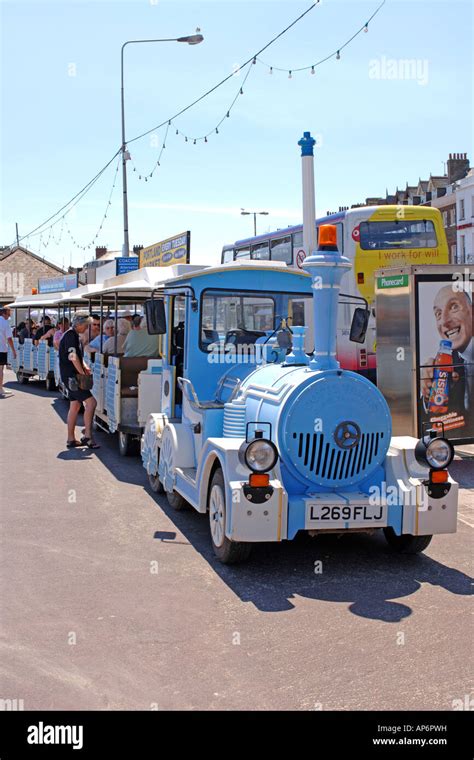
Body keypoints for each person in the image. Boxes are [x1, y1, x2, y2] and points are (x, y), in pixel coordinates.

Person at [420, 285, 473, 435]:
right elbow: (429, 426)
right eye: (438, 314)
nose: (444, 321)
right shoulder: (443, 363)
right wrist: (427, 395)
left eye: (454, 306)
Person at [58, 314, 99, 449]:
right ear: (79, 324)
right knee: (91, 403)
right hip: (73, 377)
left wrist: (85, 366)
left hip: (69, 376)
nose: (87, 328)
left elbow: (76, 356)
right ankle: (88, 436)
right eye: (86, 325)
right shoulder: (71, 336)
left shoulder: (71, 335)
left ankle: (71, 439)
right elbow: (72, 356)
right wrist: (82, 372)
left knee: (74, 406)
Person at [0, 307, 17, 398]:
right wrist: (14, 351)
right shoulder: (5, 323)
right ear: (4, 314)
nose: (9, 315)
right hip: (1, 349)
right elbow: (9, 338)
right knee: (0, 370)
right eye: (8, 313)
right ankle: (0, 388)